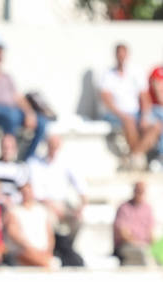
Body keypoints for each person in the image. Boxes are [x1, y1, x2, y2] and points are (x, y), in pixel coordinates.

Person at [28, 133, 86, 268]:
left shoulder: (66, 162)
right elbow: (37, 193)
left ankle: (67, 248)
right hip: (44, 205)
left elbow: (81, 186)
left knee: (78, 220)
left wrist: (81, 206)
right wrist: (53, 206)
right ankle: (55, 250)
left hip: (62, 203)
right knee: (49, 219)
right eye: (51, 146)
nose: (53, 149)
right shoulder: (36, 164)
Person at [98, 42, 159, 170]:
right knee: (129, 122)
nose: (121, 57)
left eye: (123, 53)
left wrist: (145, 115)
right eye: (119, 53)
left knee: (156, 126)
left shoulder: (135, 72)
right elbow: (107, 100)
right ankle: (137, 158)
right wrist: (122, 114)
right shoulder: (108, 75)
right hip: (115, 114)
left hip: (135, 113)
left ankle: (134, 155)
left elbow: (144, 96)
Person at [3, 181, 56, 268]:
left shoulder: (42, 210)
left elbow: (49, 233)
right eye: (24, 192)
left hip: (42, 252)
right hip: (22, 252)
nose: (27, 194)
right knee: (47, 264)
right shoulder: (14, 211)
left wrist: (48, 250)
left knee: (49, 263)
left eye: (29, 191)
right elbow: (13, 233)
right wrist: (31, 249)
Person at [113, 180, 157, 266]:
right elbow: (123, 234)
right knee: (143, 253)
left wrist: (154, 246)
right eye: (138, 190)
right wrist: (140, 244)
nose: (140, 193)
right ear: (134, 190)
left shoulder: (147, 208)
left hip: (144, 245)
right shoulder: (124, 208)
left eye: (142, 191)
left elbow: (151, 233)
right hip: (125, 246)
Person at [0, 131, 27, 206]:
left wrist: (11, 200)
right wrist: (2, 199)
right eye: (5, 147)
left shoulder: (21, 168)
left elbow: (23, 191)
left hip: (14, 206)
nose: (7, 151)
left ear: (15, 149)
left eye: (10, 148)